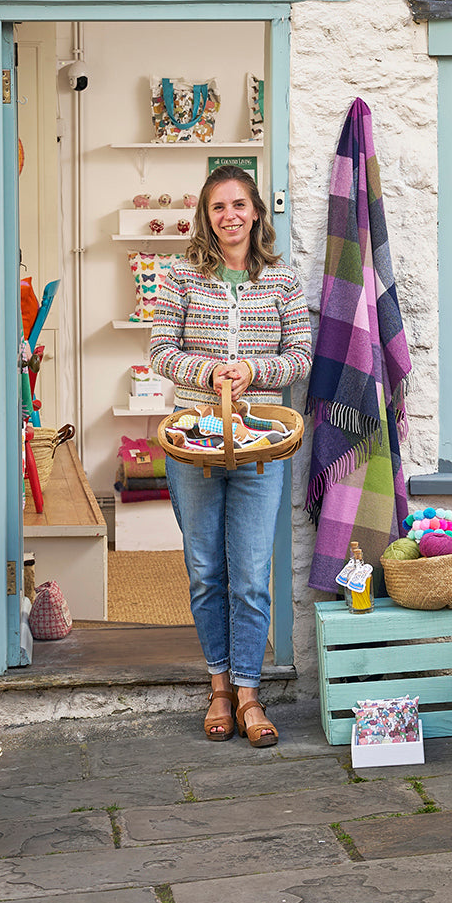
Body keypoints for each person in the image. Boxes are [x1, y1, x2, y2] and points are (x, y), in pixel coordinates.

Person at [150, 166, 311, 747]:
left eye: (239, 204)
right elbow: (162, 351)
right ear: (206, 216)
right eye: (218, 208)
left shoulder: (283, 282)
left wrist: (254, 372)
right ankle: (217, 685)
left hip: (262, 443)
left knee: (249, 573)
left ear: (257, 211)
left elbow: (300, 357)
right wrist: (210, 371)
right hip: (193, 439)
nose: (230, 216)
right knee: (205, 571)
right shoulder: (179, 277)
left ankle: (248, 693)